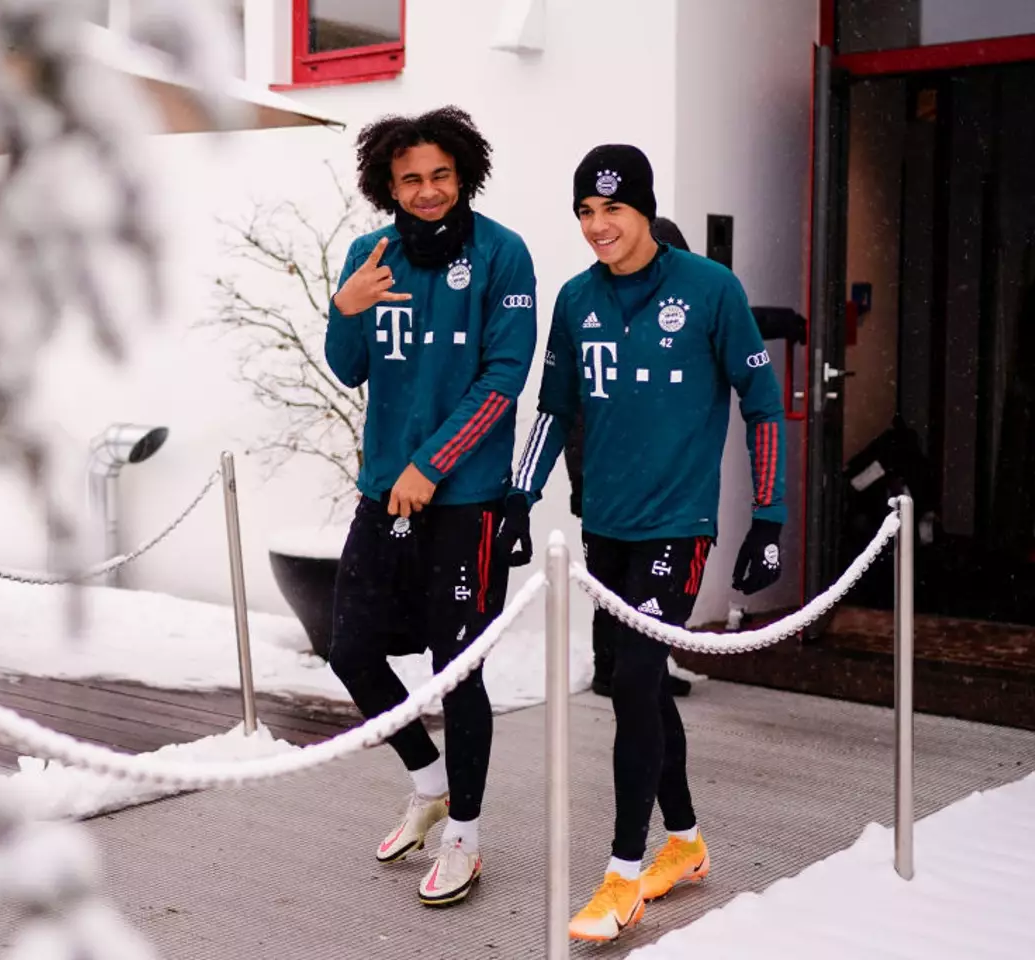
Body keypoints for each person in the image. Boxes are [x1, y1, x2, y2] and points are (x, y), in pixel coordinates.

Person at [498, 145, 785, 941]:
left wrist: (769, 517)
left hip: (678, 527)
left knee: (633, 683)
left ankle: (623, 875)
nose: (598, 226)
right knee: (640, 686)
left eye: (612, 211)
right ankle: (686, 842)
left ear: (646, 210)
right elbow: (554, 409)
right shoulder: (575, 299)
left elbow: (762, 405)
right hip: (609, 531)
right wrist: (519, 501)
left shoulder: (710, 291)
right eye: (586, 212)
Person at [323, 106, 538, 907]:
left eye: (440, 175)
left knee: (458, 672)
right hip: (385, 493)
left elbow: (503, 379)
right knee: (350, 649)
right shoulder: (368, 254)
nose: (426, 190)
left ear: (463, 174)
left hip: (465, 502)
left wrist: (432, 465)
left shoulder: (502, 255)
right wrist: (346, 310)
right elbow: (349, 369)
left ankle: (466, 837)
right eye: (410, 178)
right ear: (387, 183)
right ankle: (429, 782)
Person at [569, 215, 695, 698]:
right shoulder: (595, 314)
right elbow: (576, 413)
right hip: (606, 484)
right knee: (612, 587)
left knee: (636, 588)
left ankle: (641, 670)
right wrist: (583, 481)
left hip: (655, 488)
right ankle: (614, 670)